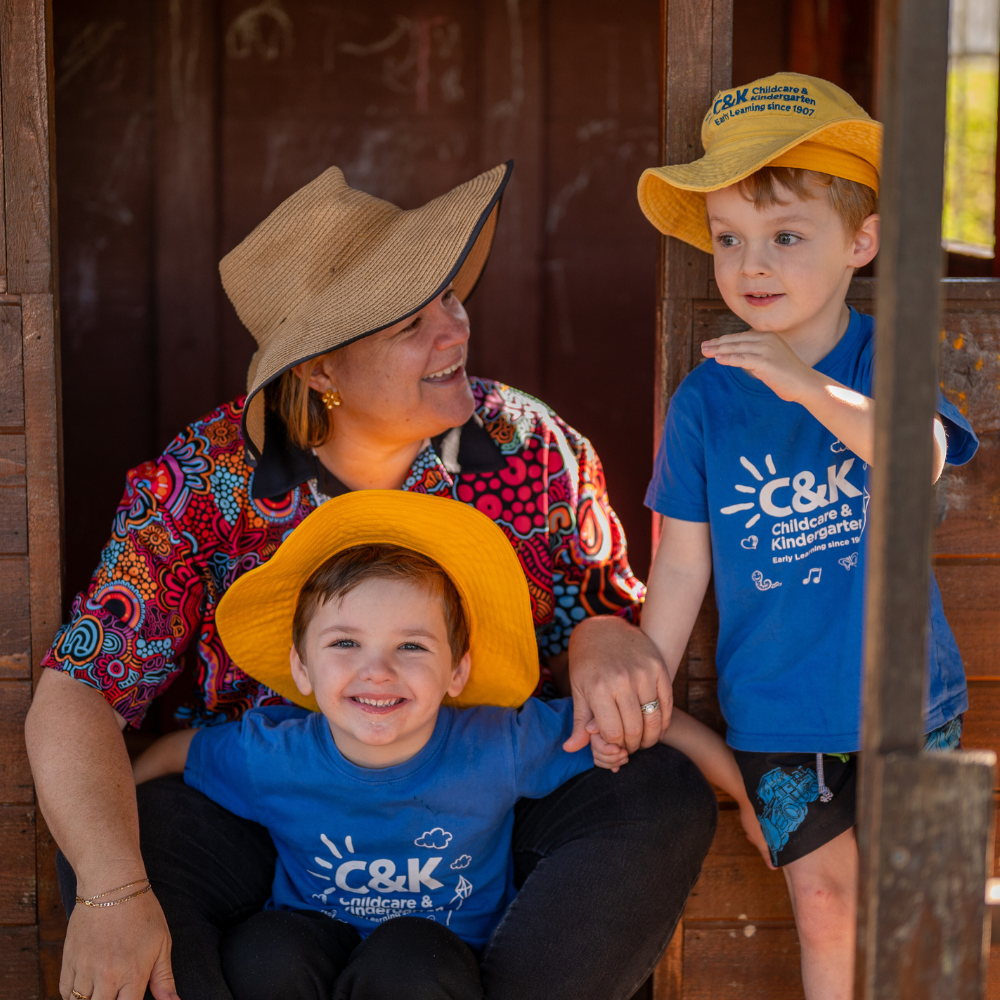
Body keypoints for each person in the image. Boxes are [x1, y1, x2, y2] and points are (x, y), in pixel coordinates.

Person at [25, 162, 716, 1000]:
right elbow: (78, 689)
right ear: (321, 372)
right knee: (111, 841)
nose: (455, 332)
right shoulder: (202, 480)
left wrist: (603, 634)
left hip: (482, 805)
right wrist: (113, 891)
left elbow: (599, 601)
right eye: (411, 325)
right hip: (270, 812)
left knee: (657, 792)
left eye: (451, 302)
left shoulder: (529, 445)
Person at [130, 490, 765, 1000]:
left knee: (408, 960)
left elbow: (647, 724)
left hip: (437, 969)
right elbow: (176, 755)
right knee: (263, 952)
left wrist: (749, 794)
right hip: (306, 956)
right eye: (345, 644)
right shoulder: (271, 753)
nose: (377, 671)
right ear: (301, 668)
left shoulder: (498, 745)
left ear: (457, 671)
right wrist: (108, 803)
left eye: (411, 646)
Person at [630, 73, 978, 1000]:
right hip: (778, 715)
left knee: (914, 917)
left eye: (787, 237)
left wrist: (803, 387)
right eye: (731, 240)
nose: (754, 264)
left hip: (909, 706)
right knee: (824, 905)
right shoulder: (705, 400)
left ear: (860, 242)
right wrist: (649, 685)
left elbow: (922, 454)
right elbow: (681, 559)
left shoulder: (881, 354)